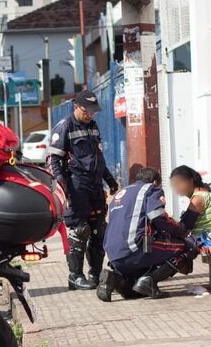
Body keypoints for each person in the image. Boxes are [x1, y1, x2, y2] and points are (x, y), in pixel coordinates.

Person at [48, 91, 119, 291]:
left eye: (93, 112)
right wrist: (63, 188)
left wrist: (110, 180)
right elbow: (53, 161)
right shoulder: (64, 127)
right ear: (76, 107)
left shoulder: (93, 127)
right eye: (87, 111)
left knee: (98, 231)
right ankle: (74, 276)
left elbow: (98, 158)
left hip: (95, 186)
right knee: (80, 230)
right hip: (76, 186)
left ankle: (94, 275)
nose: (90, 115)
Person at [98, 167, 198, 301]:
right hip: (134, 248)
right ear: (155, 181)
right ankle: (150, 281)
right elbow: (158, 218)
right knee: (186, 247)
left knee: (134, 291)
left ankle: (113, 278)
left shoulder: (121, 193)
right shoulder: (151, 189)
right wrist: (180, 230)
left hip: (113, 254)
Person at [169, 165, 211, 243]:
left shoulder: (198, 199)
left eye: (179, 183)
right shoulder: (205, 194)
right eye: (174, 185)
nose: (176, 188)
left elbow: (185, 227)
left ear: (191, 181)